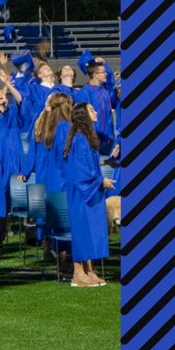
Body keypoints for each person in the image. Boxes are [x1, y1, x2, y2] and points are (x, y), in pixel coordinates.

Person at [64, 102, 113, 287]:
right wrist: (101, 181)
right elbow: (80, 171)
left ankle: (89, 270)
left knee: (91, 230)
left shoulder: (87, 137)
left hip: (90, 192)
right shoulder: (79, 140)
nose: (95, 111)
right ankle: (77, 273)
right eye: (91, 109)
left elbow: (90, 165)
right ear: (83, 115)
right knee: (82, 230)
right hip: (81, 193)